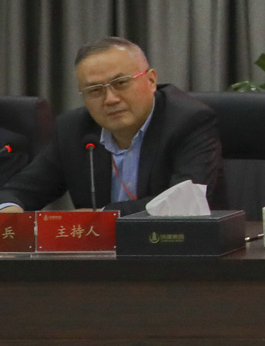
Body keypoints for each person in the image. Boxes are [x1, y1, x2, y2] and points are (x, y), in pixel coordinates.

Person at [0, 37, 223, 215]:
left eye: (121, 83)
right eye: (95, 90)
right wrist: (10, 207)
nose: (110, 99)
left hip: (178, 250)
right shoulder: (73, 130)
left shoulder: (189, 121)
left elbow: (184, 203)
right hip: (98, 255)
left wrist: (103, 216)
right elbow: (21, 190)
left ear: (151, 80)